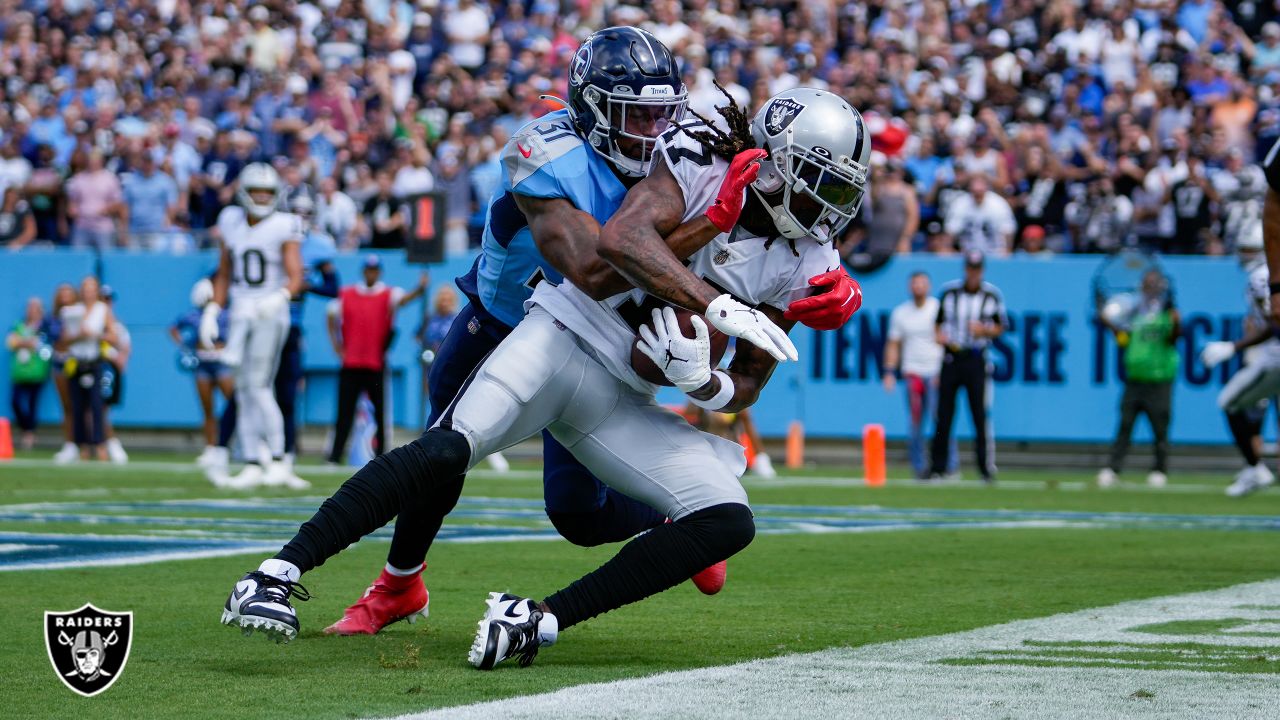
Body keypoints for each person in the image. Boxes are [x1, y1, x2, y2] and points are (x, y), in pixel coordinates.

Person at [217, 80, 862, 656]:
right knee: (446, 450)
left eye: (842, 191)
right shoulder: (701, 159)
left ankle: (536, 622)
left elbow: (744, 385)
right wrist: (716, 301)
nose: (830, 208)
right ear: (775, 166)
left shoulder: (808, 258)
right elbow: (621, 244)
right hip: (561, 330)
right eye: (822, 183)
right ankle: (278, 572)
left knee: (727, 519)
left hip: (624, 396)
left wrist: (703, 381)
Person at [199, 163, 305, 489]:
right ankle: (252, 460)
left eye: (267, 192)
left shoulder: (284, 224)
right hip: (241, 311)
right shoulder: (230, 220)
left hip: (269, 311)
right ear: (244, 192)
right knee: (243, 389)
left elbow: (296, 276)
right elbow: (224, 272)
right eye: (257, 191)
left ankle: (277, 458)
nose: (262, 197)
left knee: (258, 385)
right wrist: (212, 309)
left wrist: (281, 297)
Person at [325, 256, 426, 464]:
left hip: (375, 363)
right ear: (364, 272)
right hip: (351, 363)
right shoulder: (347, 294)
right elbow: (331, 315)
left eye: (375, 270)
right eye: (369, 270)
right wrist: (337, 347)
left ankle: (380, 456)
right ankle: (335, 456)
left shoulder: (388, 294)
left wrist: (420, 288)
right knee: (344, 412)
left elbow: (405, 300)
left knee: (380, 412)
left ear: (379, 272)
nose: (371, 273)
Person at [1201, 222, 1276, 496]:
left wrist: (1234, 347)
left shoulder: (1261, 276)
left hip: (1274, 357)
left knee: (1230, 402)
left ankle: (1255, 468)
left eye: (1250, 249)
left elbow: (1274, 324)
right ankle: (1254, 468)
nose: (1244, 254)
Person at [1097, 268, 1180, 489]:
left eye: (1153, 283)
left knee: (1160, 427)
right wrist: (1108, 323)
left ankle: (1159, 469)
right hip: (1135, 378)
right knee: (1125, 424)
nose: (1149, 287)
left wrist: (1175, 320)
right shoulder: (1134, 311)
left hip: (1159, 377)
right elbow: (1125, 339)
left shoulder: (1166, 311)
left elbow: (1174, 338)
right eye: (1146, 283)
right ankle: (1113, 468)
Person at [929, 250, 1007, 482]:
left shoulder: (991, 294)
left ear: (981, 270)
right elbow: (938, 323)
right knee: (943, 415)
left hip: (975, 358)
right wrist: (939, 337)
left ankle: (985, 468)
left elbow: (1000, 326)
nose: (973, 273)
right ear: (965, 269)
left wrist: (983, 330)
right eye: (970, 268)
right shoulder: (950, 292)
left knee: (979, 415)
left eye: (977, 269)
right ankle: (938, 467)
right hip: (952, 357)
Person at [883, 272, 956, 480]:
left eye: (922, 283)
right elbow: (894, 344)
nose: (918, 287)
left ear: (929, 286)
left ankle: (948, 464)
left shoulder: (937, 309)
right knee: (915, 422)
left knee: (941, 419)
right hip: (913, 372)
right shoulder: (901, 313)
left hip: (935, 371)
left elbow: (947, 339)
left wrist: (945, 369)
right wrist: (889, 371)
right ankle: (919, 466)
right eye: (915, 283)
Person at [171, 278, 234, 467]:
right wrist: (186, 345)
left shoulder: (225, 314)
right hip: (203, 363)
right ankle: (210, 447)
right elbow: (174, 328)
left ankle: (238, 445)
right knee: (207, 408)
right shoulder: (194, 315)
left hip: (221, 361)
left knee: (234, 404)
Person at [57, 276, 116, 462]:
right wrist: (78, 336)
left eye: (92, 288)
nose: (88, 292)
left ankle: (100, 444)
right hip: (76, 362)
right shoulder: (72, 311)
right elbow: (63, 341)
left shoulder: (102, 309)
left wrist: (96, 335)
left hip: (94, 362)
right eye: (85, 288)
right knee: (77, 406)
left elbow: (114, 336)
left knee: (97, 406)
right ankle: (81, 445)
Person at [6, 297, 52, 450]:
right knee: (15, 401)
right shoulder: (19, 325)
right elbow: (10, 342)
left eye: (35, 307)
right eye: (30, 307)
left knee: (33, 404)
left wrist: (23, 342)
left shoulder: (44, 326)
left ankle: (30, 433)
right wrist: (27, 342)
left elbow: (44, 347)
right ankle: (25, 428)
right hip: (19, 372)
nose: (31, 310)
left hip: (37, 372)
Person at [49, 283, 79, 464]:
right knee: (66, 405)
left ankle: (87, 443)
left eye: (68, 293)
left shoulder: (80, 314)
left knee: (84, 405)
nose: (65, 297)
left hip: (78, 361)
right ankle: (69, 444)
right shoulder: (53, 318)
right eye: (62, 293)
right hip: (60, 362)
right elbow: (50, 338)